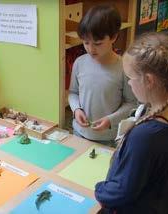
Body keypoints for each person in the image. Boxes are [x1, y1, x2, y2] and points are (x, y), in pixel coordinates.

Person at [95, 33, 168, 213]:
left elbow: (123, 191)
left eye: (130, 77)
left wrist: (99, 189)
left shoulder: (146, 135)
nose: (129, 83)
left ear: (149, 80)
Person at [68, 5, 136, 147]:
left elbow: (131, 103)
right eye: (86, 42)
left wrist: (111, 120)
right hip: (79, 133)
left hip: (108, 139)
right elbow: (73, 93)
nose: (91, 49)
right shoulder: (79, 63)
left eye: (98, 43)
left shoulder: (124, 67)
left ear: (114, 37)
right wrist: (76, 110)